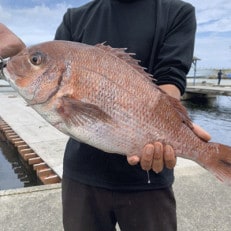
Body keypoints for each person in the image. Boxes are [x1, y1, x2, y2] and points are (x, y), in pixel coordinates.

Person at [0, 0, 211, 230]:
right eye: (36, 60)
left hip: (149, 179)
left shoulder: (178, 12)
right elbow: (43, 67)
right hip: (82, 178)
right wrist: (16, 56)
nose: (34, 61)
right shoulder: (75, 17)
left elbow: (171, 76)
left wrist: (175, 130)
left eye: (35, 60)